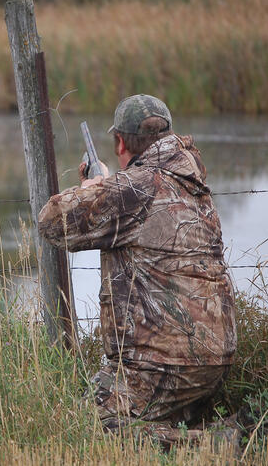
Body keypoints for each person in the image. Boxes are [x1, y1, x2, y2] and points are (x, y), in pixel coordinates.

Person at [38, 94, 238, 447]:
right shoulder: (193, 186)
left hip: (160, 364)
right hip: (216, 358)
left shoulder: (131, 190)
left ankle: (213, 445)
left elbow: (53, 222)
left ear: (119, 142)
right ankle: (198, 426)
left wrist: (94, 188)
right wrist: (112, 185)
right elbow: (140, 197)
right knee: (152, 413)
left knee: (86, 427)